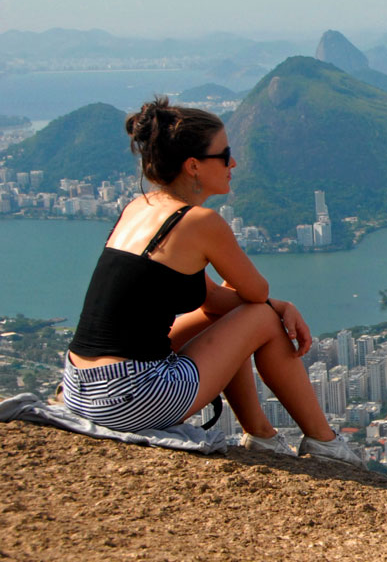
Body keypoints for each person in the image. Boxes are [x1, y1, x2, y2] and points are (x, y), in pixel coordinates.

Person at [61, 97, 364, 469]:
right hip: (132, 396)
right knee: (263, 319)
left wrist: (280, 307)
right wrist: (279, 309)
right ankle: (324, 443)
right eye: (225, 155)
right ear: (193, 166)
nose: (233, 163)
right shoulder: (200, 222)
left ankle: (263, 438)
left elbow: (212, 299)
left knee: (244, 315)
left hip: (81, 389)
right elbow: (257, 295)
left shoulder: (140, 207)